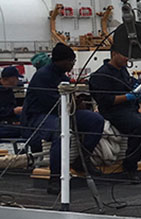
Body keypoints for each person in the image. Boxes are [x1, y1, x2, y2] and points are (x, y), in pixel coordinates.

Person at [22, 43, 104, 194]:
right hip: (40, 115)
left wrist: (77, 101)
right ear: (61, 61)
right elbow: (51, 103)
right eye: (71, 61)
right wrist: (73, 102)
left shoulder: (62, 76)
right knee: (59, 130)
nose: (72, 64)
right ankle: (55, 177)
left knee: (96, 121)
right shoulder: (43, 76)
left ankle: (82, 159)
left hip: (64, 113)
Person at [89, 43, 141, 181]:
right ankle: (130, 167)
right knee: (138, 127)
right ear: (114, 54)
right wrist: (127, 96)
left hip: (130, 109)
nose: (127, 59)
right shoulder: (101, 75)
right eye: (124, 55)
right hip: (113, 112)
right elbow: (105, 100)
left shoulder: (123, 71)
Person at [0, 66, 23, 139]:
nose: (17, 81)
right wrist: (13, 111)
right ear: (9, 79)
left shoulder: (8, 90)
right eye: (16, 78)